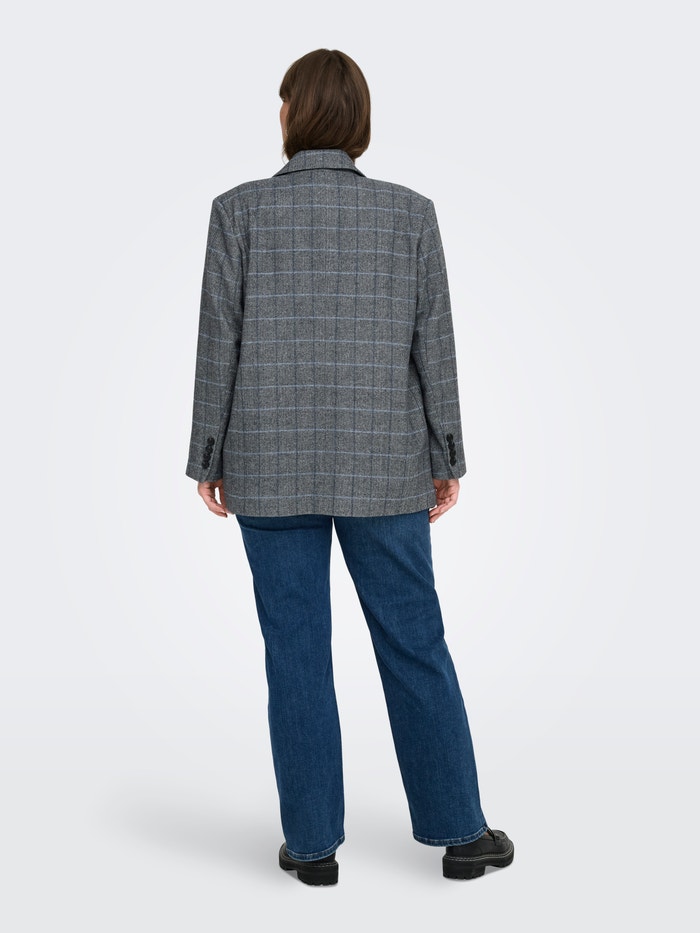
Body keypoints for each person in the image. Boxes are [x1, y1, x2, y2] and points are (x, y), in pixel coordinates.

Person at [186, 48, 513, 886]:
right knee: (414, 640)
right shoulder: (410, 215)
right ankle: (461, 834)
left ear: (293, 116)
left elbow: (219, 342)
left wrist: (208, 455)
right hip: (386, 464)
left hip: (268, 463)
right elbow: (433, 345)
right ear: (359, 120)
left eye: (282, 103)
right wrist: (446, 453)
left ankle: (312, 847)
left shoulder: (237, 211)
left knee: (294, 650)